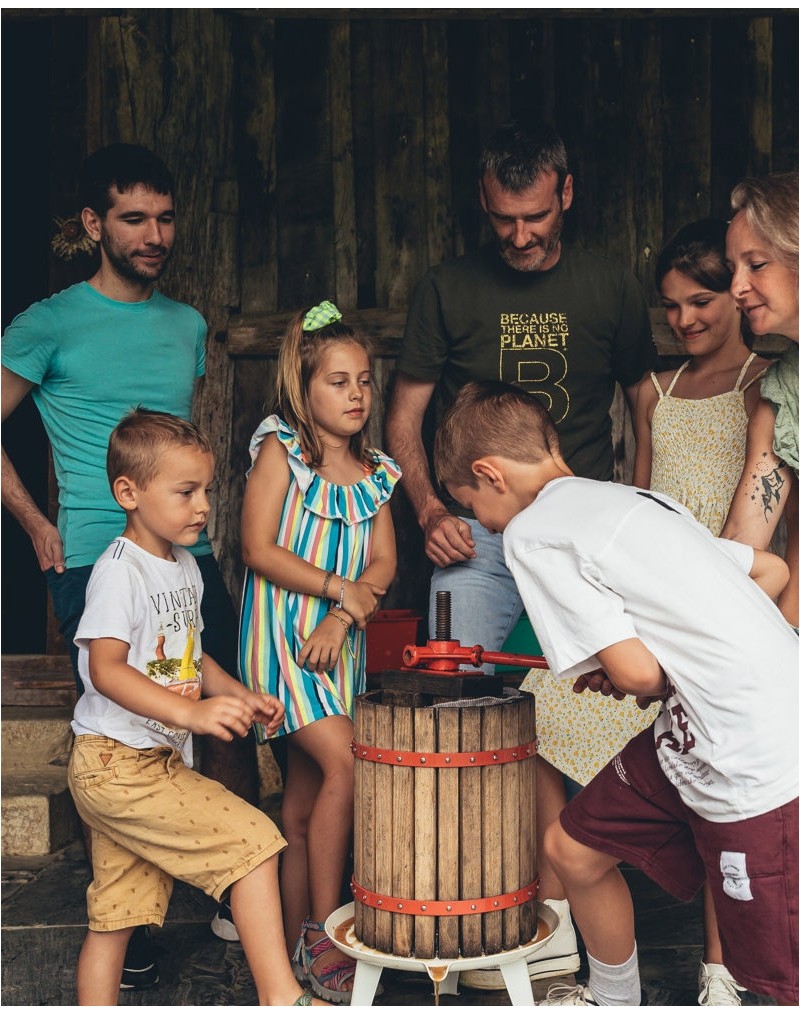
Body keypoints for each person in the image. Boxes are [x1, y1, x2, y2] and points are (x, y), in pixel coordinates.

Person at [385, 117, 656, 987]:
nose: (521, 234)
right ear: (484, 204)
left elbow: (642, 402)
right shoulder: (447, 286)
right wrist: (428, 508)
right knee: (454, 693)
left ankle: (579, 890)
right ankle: (465, 895)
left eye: (535, 215)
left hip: (578, 532)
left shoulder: (609, 282)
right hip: (480, 533)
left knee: (604, 699)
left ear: (565, 193)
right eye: (504, 218)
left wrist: (634, 510)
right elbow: (404, 415)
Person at [433, 380, 797, 1007]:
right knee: (572, 849)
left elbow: (633, 676)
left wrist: (647, 665)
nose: (484, 526)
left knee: (774, 975)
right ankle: (612, 998)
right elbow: (770, 571)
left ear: (489, 475)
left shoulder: (532, 532)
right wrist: (684, 654)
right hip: (696, 729)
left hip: (754, 753)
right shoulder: (637, 500)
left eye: (472, 508)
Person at [0, 142, 253, 981]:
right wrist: (34, 519)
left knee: (215, 706)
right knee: (118, 728)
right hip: (92, 560)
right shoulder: (48, 321)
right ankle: (126, 927)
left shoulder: (185, 327)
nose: (153, 234)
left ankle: (232, 898)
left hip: (189, 556)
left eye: (165, 217)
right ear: (93, 224)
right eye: (133, 218)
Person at [67, 408, 327, 1006]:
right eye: (185, 492)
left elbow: (191, 655)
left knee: (116, 914)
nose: (203, 505)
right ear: (128, 493)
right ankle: (282, 998)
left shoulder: (183, 567)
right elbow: (104, 669)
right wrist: (190, 716)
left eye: (205, 489)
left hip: (143, 764)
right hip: (117, 765)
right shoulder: (119, 572)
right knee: (256, 843)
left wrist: (236, 696)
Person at [237, 301, 399, 1004]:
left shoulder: (378, 472)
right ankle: (336, 929)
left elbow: (386, 561)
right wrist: (340, 591)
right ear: (303, 387)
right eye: (337, 381)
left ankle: (304, 939)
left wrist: (346, 612)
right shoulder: (281, 449)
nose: (356, 393)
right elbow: (257, 548)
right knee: (351, 760)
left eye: (364, 379)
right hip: (285, 644)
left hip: (340, 647)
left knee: (305, 803)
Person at [633, 218, 770, 1006]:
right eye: (673, 306)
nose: (685, 320)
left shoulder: (766, 384)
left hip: (745, 600)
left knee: (724, 779)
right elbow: (643, 506)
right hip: (663, 604)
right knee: (548, 704)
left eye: (703, 300)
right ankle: (556, 920)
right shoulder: (656, 392)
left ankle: (718, 969)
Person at [722, 171, 799, 629]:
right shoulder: (781, 394)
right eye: (733, 268)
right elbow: (741, 540)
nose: (736, 288)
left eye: (756, 264)